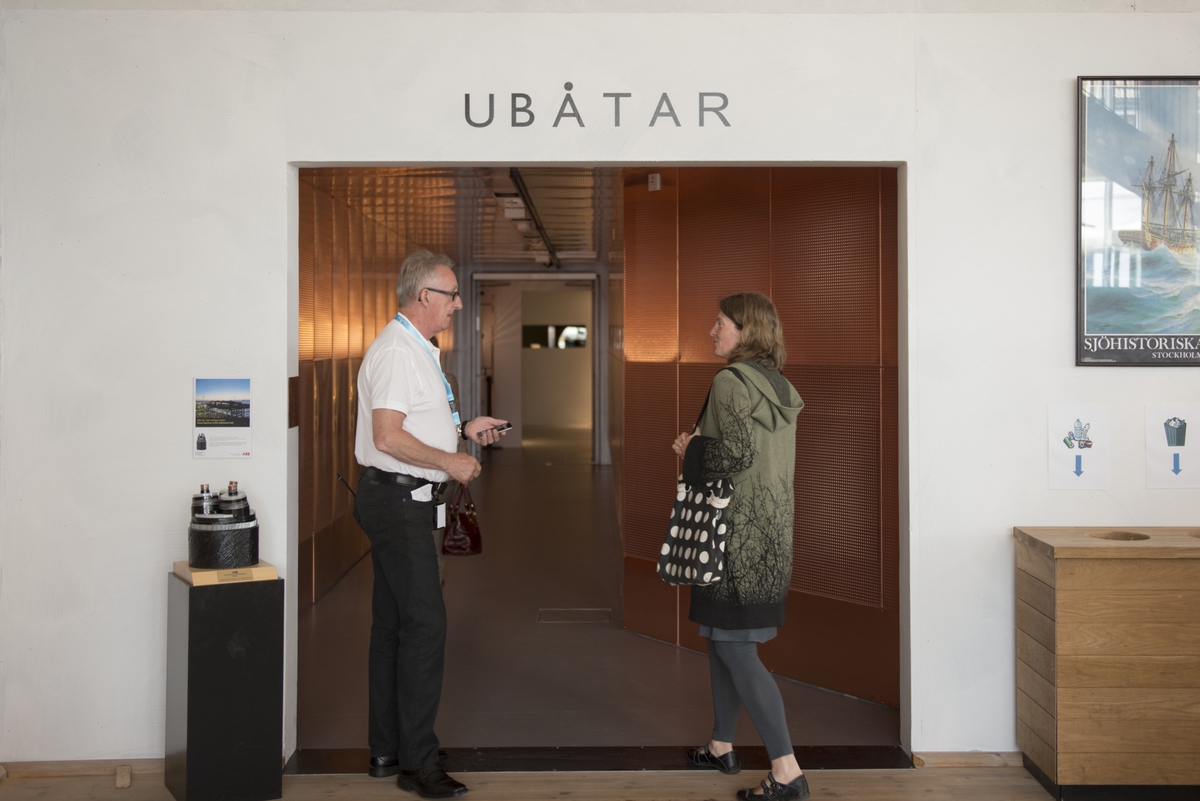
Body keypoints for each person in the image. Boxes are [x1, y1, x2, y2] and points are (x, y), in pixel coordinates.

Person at [353, 250, 508, 799]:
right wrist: (451, 461)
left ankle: (389, 749)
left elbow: (413, 420)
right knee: (425, 626)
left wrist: (463, 429)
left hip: (400, 499)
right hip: (400, 503)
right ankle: (418, 764)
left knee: (394, 626)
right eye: (451, 294)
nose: (458, 304)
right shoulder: (398, 352)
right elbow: (387, 435)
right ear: (424, 296)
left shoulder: (416, 348)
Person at [671, 292, 807, 801]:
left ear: (746, 331)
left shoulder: (731, 380)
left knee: (735, 646)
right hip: (769, 532)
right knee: (721, 638)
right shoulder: (778, 384)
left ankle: (787, 771)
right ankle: (721, 744)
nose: (712, 330)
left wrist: (692, 448)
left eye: (720, 323)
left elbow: (736, 455)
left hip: (729, 534)